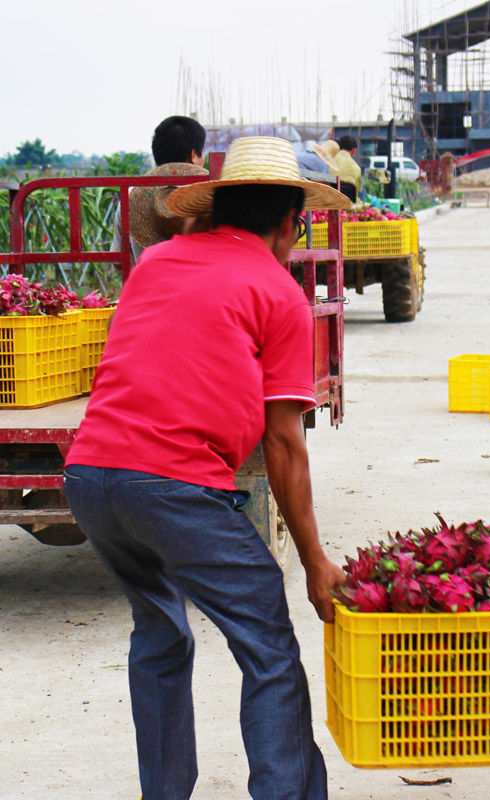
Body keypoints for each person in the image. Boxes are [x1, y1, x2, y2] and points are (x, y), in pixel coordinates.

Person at [65, 136, 349, 800]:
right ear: (290, 223)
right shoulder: (279, 293)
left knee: (160, 632)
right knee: (268, 647)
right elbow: (284, 446)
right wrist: (314, 560)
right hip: (173, 487)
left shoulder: (157, 261)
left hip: (90, 477)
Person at [111, 115, 206, 263]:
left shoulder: (131, 196)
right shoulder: (210, 193)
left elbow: (119, 261)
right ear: (194, 155)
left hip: (147, 284)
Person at [333, 134, 361, 202]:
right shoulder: (356, 168)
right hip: (348, 204)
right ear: (354, 150)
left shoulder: (330, 161)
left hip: (330, 201)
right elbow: (357, 190)